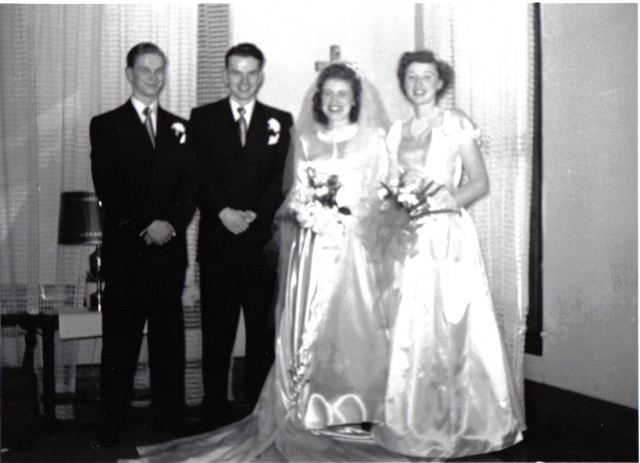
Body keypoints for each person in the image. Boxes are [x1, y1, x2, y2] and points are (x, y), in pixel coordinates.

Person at [122, 62, 416, 463]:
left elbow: (384, 196)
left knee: (351, 329)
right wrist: (307, 213)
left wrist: (349, 216)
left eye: (342, 95)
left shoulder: (374, 139)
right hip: (311, 252)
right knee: (301, 330)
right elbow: (292, 192)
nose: (334, 101)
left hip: (353, 254)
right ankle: (301, 408)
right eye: (327, 94)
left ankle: (352, 410)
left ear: (355, 99)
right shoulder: (307, 139)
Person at [371, 49, 526, 458]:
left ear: (440, 82)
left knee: (452, 327)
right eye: (411, 76)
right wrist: (394, 210)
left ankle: (466, 422)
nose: (419, 83)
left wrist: (441, 203)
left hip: (446, 240)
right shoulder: (395, 130)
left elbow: (478, 184)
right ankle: (413, 422)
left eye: (427, 76)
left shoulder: (456, 123)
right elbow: (389, 185)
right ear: (403, 82)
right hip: (407, 239)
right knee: (410, 333)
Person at [90, 42, 197, 448]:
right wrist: (145, 225)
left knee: (169, 340)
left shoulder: (180, 127)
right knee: (121, 342)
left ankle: (169, 419)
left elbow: (190, 187)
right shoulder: (106, 124)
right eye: (144, 70)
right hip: (128, 253)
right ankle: (111, 425)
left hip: (169, 253)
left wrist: (169, 223)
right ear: (129, 73)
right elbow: (108, 187)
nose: (152, 77)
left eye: (159, 70)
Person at [190, 43, 293, 428]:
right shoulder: (202, 118)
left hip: (262, 246)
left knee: (261, 338)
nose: (244, 80)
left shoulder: (280, 120)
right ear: (225, 75)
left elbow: (284, 178)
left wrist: (254, 214)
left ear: (261, 76)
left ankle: (257, 414)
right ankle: (214, 411)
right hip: (217, 243)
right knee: (216, 335)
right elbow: (196, 174)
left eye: (252, 73)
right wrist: (222, 211)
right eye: (236, 72)